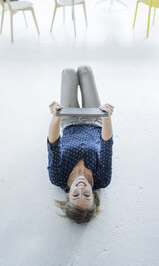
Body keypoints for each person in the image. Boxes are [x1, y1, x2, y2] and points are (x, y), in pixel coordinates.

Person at [47, 66, 114, 224]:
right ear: (94, 196)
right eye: (87, 195)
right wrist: (107, 117)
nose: (81, 189)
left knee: (68, 73)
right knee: (85, 70)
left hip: (69, 121)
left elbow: (53, 144)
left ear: (68, 196)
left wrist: (56, 116)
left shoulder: (58, 177)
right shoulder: (102, 179)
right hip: (95, 120)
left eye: (76, 195)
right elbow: (107, 145)